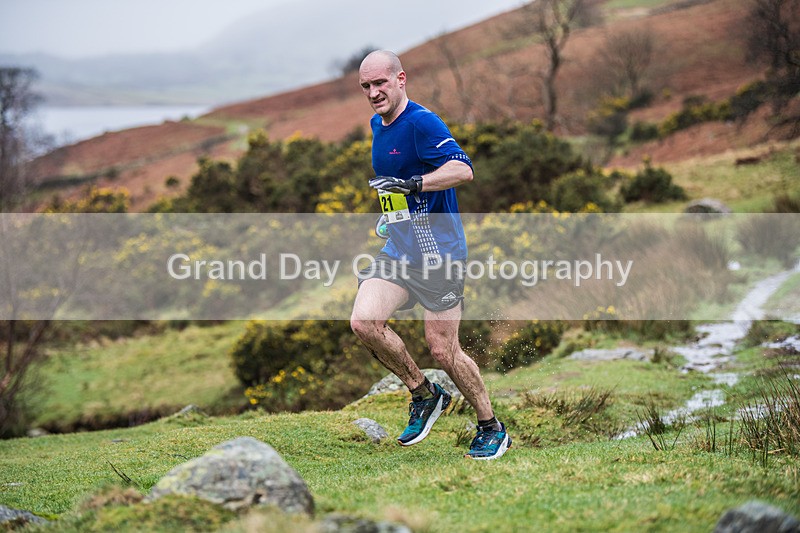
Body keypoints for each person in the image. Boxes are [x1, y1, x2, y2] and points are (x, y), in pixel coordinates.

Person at [350, 50, 511, 460]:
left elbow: (463, 169)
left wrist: (417, 185)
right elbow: (393, 184)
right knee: (364, 322)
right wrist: (391, 217)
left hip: (440, 255)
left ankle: (491, 426)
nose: (373, 92)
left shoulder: (422, 122)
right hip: (399, 250)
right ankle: (424, 393)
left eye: (380, 83)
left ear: (400, 79)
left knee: (444, 350)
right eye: (366, 86)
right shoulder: (377, 124)